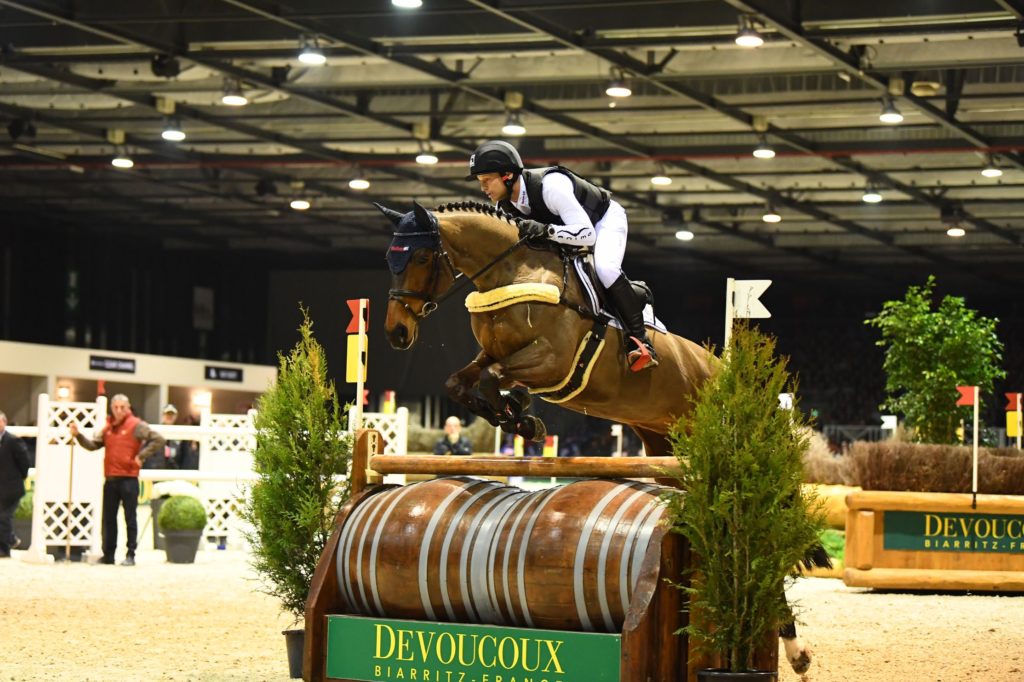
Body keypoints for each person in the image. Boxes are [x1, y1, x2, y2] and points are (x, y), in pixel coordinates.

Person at [467, 139, 659, 372]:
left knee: (605, 269)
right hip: (565, 231)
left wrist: (546, 230)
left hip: (601, 221)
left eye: (487, 180)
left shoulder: (550, 186)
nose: (483, 188)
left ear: (507, 175)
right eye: (481, 182)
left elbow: (587, 235)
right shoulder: (504, 208)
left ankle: (640, 340)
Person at [70, 394, 165, 566]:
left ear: (128, 408)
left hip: (129, 478)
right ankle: (109, 555)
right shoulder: (108, 428)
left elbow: (158, 439)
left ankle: (131, 554)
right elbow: (93, 446)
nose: (119, 410)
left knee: (130, 518)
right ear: (112, 408)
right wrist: (78, 436)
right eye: (116, 407)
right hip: (111, 478)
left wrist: (141, 456)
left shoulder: (137, 425)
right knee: (108, 519)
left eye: (122, 407)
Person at [0, 411, 31, 558]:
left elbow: (24, 462)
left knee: (4, 518)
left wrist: (21, 476)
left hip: (12, 488)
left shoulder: (13, 441)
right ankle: (6, 547)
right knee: (3, 518)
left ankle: (11, 540)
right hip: (1, 488)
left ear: (4, 423)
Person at [143, 404, 180, 470]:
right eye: (167, 414)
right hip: (156, 470)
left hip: (173, 471)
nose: (169, 416)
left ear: (176, 416)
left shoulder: (180, 433)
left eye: (172, 414)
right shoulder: (155, 432)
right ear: (163, 415)